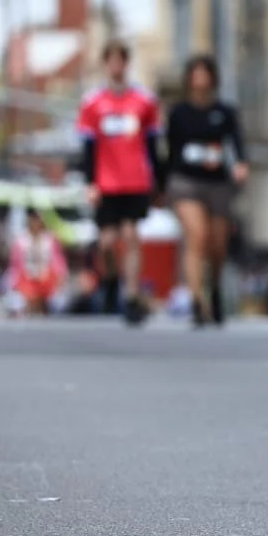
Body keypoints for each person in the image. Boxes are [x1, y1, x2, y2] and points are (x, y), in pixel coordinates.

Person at [75, 39, 165, 325]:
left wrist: (157, 182)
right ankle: (111, 277)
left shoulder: (144, 102)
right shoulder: (93, 104)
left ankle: (131, 295)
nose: (116, 66)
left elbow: (152, 145)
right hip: (106, 182)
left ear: (126, 64)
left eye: (120, 61)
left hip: (135, 180)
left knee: (131, 236)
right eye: (111, 61)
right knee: (106, 242)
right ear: (105, 64)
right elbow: (88, 148)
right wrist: (90, 182)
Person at [162, 54, 249, 327]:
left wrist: (240, 166)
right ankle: (197, 301)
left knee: (217, 244)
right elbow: (169, 151)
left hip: (217, 182)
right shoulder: (179, 113)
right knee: (196, 237)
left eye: (205, 74)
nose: (200, 80)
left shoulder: (224, 113)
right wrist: (162, 185)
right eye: (195, 74)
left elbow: (236, 144)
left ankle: (216, 288)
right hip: (186, 182)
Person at [6, 211, 69, 316]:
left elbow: (58, 263)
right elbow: (15, 265)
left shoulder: (49, 240)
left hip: (46, 279)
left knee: (56, 301)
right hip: (27, 279)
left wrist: (60, 278)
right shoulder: (21, 241)